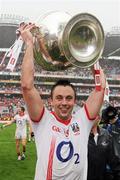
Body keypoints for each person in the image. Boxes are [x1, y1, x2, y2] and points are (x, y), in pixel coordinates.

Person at [19, 23, 106, 180]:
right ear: (50, 101)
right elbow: (27, 86)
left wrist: (91, 54)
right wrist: (30, 43)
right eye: (59, 98)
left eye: (69, 98)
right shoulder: (43, 120)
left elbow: (100, 88)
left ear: (74, 101)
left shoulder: (83, 121)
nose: (64, 102)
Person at [87, 115, 120, 180]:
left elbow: (113, 160)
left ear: (99, 117)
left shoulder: (105, 134)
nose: (90, 118)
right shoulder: (79, 136)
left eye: (93, 114)